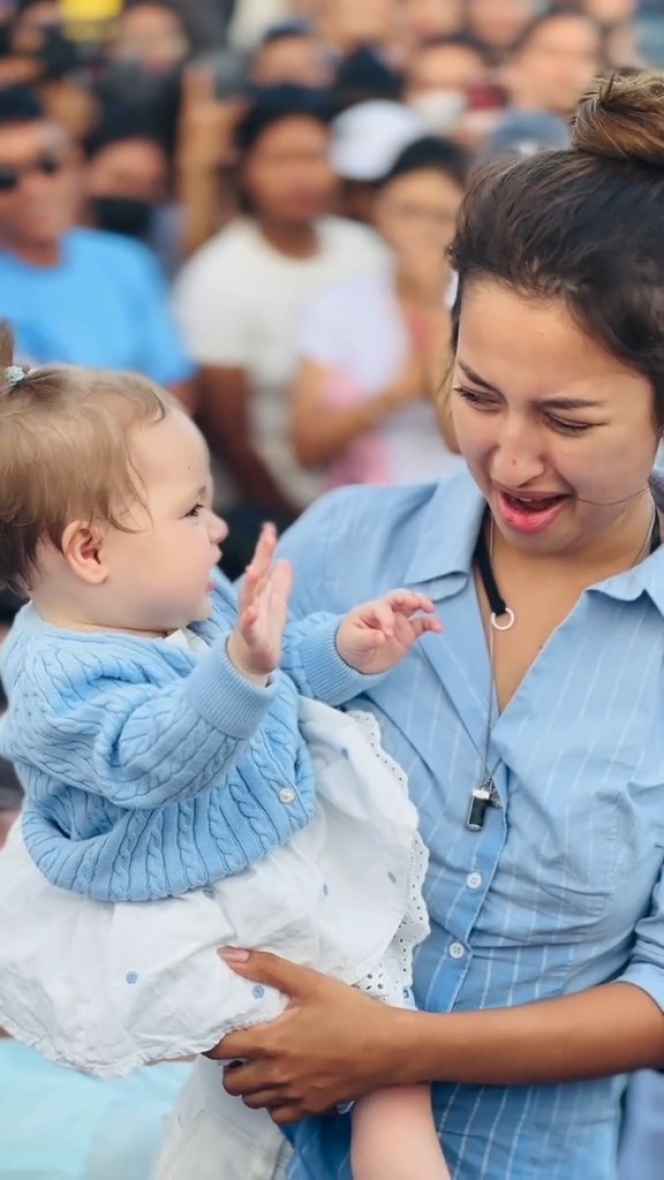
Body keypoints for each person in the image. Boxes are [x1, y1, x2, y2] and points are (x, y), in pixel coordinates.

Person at [176, 69, 664, 1179]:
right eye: (477, 395)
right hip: (252, 1141)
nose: (511, 458)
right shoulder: (345, 541)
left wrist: (396, 1051)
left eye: (569, 419)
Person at [0, 333, 449, 1180]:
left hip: (246, 868)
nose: (216, 529)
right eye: (191, 510)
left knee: (384, 1064)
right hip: (180, 908)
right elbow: (155, 758)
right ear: (90, 551)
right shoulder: (58, 673)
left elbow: (273, 671)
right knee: (352, 1066)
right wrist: (238, 669)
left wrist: (345, 649)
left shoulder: (172, 596)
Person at [173, 85, 385, 568]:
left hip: (375, 485)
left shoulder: (364, 249)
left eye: (314, 156)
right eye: (280, 158)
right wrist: (297, 525)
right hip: (282, 508)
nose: (301, 176)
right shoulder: (219, 277)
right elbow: (231, 437)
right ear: (245, 167)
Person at [0, 84, 195, 403]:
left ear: (76, 164)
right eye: (5, 178)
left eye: (48, 165)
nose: (34, 188)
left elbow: (175, 382)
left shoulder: (126, 259)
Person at [291, 135, 467, 487]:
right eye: (407, 211)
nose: (422, 231)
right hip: (369, 500)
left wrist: (433, 303)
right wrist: (398, 392)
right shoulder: (339, 306)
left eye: (441, 216)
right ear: (378, 212)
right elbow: (306, 446)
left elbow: (457, 434)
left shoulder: (482, 302)